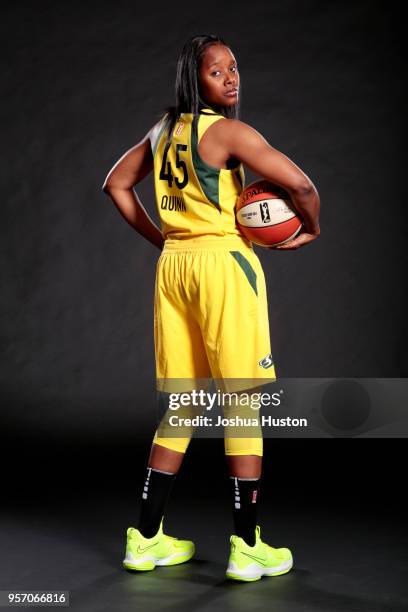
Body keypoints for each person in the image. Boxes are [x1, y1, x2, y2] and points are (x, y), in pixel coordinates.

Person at [102, 33, 320, 582]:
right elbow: (302, 185)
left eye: (234, 68)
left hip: (174, 268)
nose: (231, 78)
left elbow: (117, 186)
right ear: (192, 79)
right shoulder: (227, 133)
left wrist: (166, 241)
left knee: (181, 406)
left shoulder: (162, 130)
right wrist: (310, 228)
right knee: (242, 403)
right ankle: (248, 546)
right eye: (216, 71)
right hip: (223, 265)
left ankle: (146, 539)